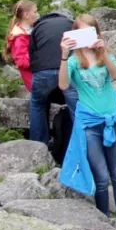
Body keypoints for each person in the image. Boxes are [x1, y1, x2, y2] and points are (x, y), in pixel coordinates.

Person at [57, 14, 116, 230]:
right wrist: (63, 55)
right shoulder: (73, 61)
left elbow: (115, 75)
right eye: (81, 33)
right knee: (101, 178)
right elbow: (62, 85)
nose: (87, 38)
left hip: (113, 120)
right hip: (90, 124)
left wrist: (103, 52)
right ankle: (103, 225)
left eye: (91, 31)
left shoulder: (105, 55)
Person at [28, 10, 79, 144]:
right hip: (68, 68)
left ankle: (38, 145)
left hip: (43, 71)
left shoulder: (37, 28)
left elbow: (31, 55)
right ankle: (82, 145)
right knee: (76, 107)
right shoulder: (71, 24)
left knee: (38, 103)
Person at [4, 0, 38, 92]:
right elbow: (22, 63)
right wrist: (37, 51)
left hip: (41, 77)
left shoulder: (34, 29)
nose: (38, 14)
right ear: (26, 15)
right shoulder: (19, 38)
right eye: (35, 11)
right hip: (34, 81)